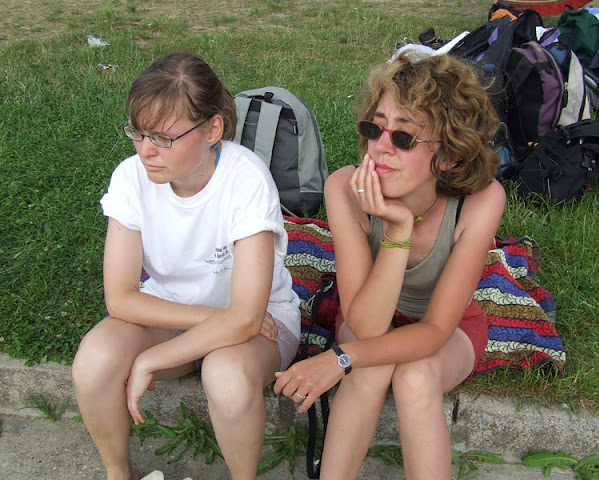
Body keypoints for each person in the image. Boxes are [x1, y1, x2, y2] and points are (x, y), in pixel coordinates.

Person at [274, 50, 506, 480]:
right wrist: (398, 232)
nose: (380, 147)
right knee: (371, 365)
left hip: (448, 327)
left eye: (404, 137)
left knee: (415, 376)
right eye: (374, 128)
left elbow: (436, 330)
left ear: (450, 156)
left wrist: (339, 358)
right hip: (369, 315)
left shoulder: (481, 201)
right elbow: (365, 328)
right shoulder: (344, 188)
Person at [72, 52, 301, 480]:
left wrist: (149, 360)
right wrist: (211, 318)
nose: (146, 151)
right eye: (138, 133)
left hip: (264, 325)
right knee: (94, 361)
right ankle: (119, 474)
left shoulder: (245, 179)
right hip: (175, 314)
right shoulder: (131, 178)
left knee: (225, 373)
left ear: (213, 129)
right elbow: (120, 298)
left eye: (163, 137)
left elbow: (248, 318)